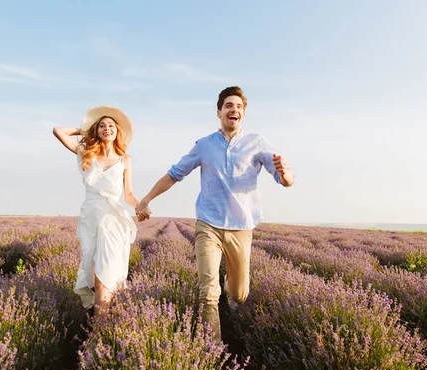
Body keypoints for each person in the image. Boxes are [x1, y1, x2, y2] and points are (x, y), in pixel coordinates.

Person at [136, 86, 295, 342]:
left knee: (239, 294)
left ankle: (229, 287)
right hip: (208, 224)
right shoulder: (204, 145)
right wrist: (146, 199)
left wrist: (285, 173)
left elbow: (285, 179)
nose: (235, 110)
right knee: (208, 294)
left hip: (241, 227)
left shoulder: (257, 143)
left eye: (239, 107)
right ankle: (213, 352)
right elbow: (175, 174)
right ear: (219, 112)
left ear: (243, 114)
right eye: (229, 106)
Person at [53, 105, 139, 317]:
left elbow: (128, 194)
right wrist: (85, 132)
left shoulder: (125, 159)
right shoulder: (85, 153)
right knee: (94, 275)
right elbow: (58, 131)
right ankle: (107, 320)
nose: (106, 128)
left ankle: (98, 331)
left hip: (113, 219)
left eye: (111, 125)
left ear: (118, 131)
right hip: (91, 218)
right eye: (102, 126)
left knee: (104, 277)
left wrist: (141, 206)